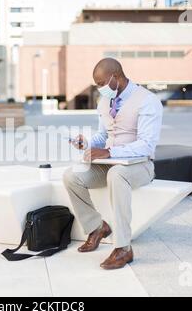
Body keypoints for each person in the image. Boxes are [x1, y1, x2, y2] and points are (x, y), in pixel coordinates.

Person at [63, 58, 163, 270]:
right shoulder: (104, 102)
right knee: (72, 176)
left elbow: (146, 145)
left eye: (101, 83)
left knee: (117, 175)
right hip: (111, 163)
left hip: (141, 165)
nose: (100, 88)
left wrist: (109, 152)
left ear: (115, 77)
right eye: (97, 84)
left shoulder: (148, 100)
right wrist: (87, 143)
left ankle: (123, 248)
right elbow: (103, 134)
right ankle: (97, 227)